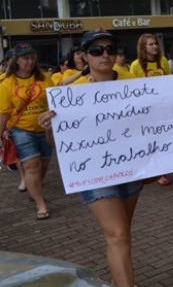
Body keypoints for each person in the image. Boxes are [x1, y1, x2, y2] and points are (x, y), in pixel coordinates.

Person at [39, 29, 141, 287]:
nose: (105, 55)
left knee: (122, 234)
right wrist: (51, 130)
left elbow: (152, 115)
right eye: (97, 50)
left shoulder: (131, 80)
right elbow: (59, 145)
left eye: (110, 49)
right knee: (117, 234)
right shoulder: (71, 92)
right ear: (84, 56)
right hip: (94, 172)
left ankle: (122, 280)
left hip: (130, 165)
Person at [0, 43, 53, 219]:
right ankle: (41, 204)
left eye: (31, 58)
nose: (29, 62)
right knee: (31, 165)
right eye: (25, 58)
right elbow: (4, 113)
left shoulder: (45, 79)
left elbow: (55, 103)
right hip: (21, 130)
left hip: (45, 129)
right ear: (16, 61)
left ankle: (34, 188)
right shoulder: (7, 83)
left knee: (43, 166)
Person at [130, 33, 172, 186]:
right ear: (143, 47)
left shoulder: (163, 61)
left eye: (156, 43)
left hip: (162, 108)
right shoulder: (135, 66)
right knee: (149, 140)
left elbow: (170, 82)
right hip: (145, 110)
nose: (155, 46)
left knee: (161, 139)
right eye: (151, 44)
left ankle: (161, 171)